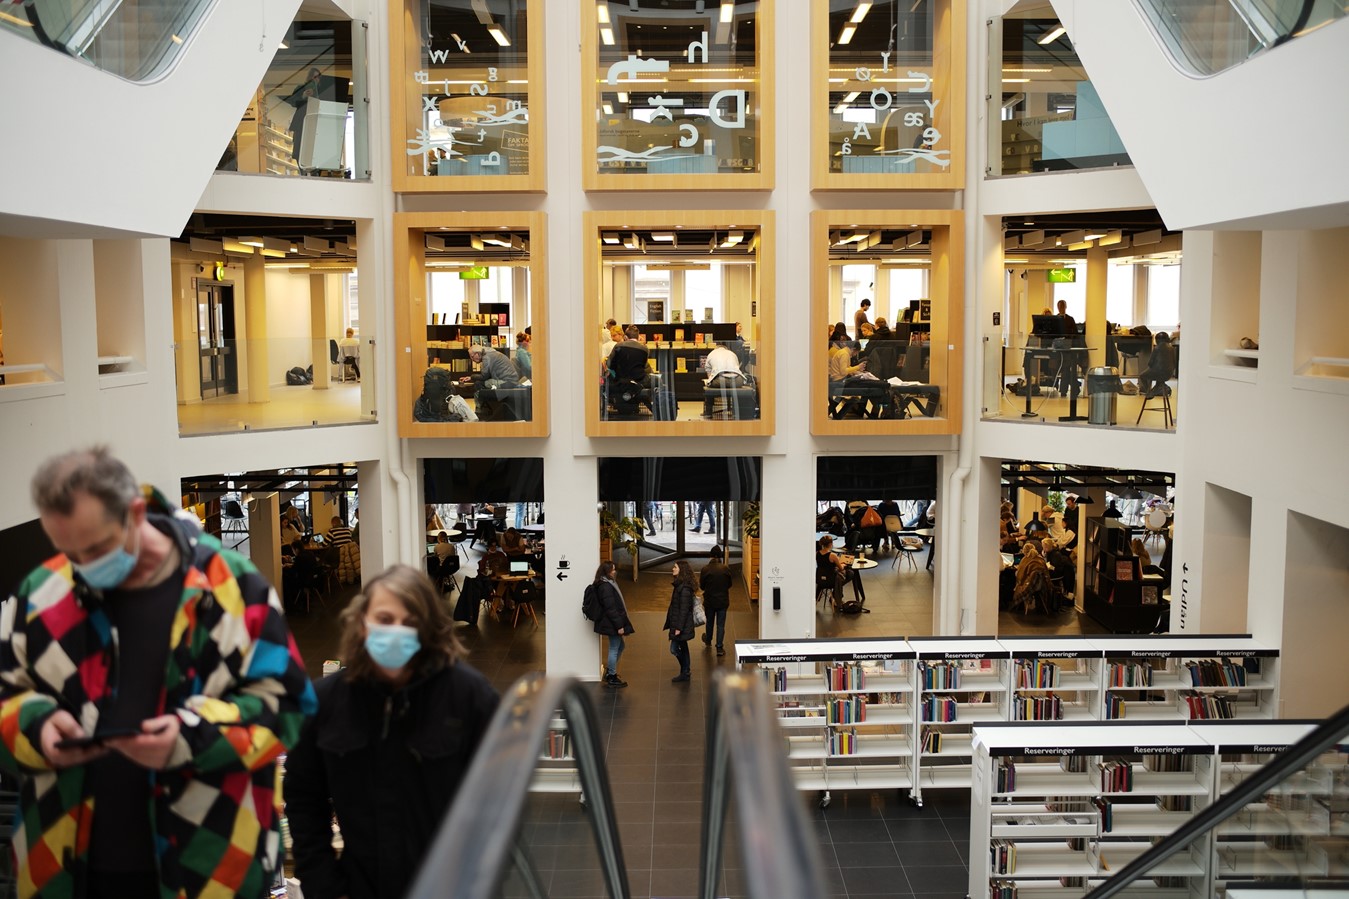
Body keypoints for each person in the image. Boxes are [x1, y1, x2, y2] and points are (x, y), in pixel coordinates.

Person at [0, 447, 315, 897]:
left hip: (210, 868)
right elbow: (6, 696)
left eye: (95, 548)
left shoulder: (231, 586)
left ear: (135, 513)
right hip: (64, 871)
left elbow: (286, 708)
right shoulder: (44, 592)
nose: (83, 568)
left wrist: (189, 739)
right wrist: (38, 727)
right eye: (69, 552)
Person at [286, 564, 499, 899]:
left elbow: (497, 801)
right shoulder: (326, 702)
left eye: (410, 622)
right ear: (362, 623)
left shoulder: (469, 696)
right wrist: (323, 884)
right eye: (385, 620)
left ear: (429, 629)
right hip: (360, 887)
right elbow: (303, 797)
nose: (397, 631)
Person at [592, 561, 634, 688]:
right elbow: (611, 608)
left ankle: (611, 671)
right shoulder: (606, 586)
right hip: (612, 623)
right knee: (615, 647)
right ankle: (612, 676)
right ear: (607, 572)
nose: (615, 572)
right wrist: (619, 625)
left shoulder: (607, 583)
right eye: (613, 570)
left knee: (620, 646)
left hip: (611, 622)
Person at [663, 560, 698, 683]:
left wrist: (678, 627)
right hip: (678, 623)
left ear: (681, 570)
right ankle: (685, 671)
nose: (673, 569)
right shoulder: (680, 585)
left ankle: (685, 671)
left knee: (674, 649)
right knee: (683, 646)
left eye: (675, 567)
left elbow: (683, 610)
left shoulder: (684, 589)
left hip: (680, 625)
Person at [699, 548, 733, 656]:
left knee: (710, 622)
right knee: (721, 625)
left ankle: (708, 640)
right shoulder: (725, 569)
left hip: (710, 601)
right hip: (723, 601)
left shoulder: (705, 569)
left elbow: (702, 586)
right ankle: (719, 647)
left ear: (711, 556)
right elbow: (729, 584)